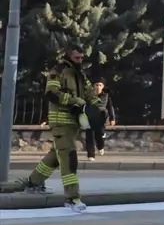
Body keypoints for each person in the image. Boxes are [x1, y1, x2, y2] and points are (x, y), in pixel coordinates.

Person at [16, 45, 102, 211]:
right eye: (77, 58)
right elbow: (51, 93)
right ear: (69, 56)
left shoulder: (80, 74)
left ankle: (34, 182)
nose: (80, 61)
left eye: (82, 58)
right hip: (61, 121)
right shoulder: (58, 71)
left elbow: (89, 93)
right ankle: (72, 198)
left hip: (73, 122)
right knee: (69, 158)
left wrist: (98, 106)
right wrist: (75, 101)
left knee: (57, 155)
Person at [83, 78, 114, 160]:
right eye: (96, 85)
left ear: (103, 86)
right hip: (90, 118)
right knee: (89, 136)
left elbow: (110, 108)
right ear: (93, 86)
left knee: (99, 135)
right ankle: (91, 155)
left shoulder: (106, 96)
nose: (98, 87)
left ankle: (100, 146)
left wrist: (112, 118)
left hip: (101, 119)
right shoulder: (88, 96)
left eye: (100, 85)